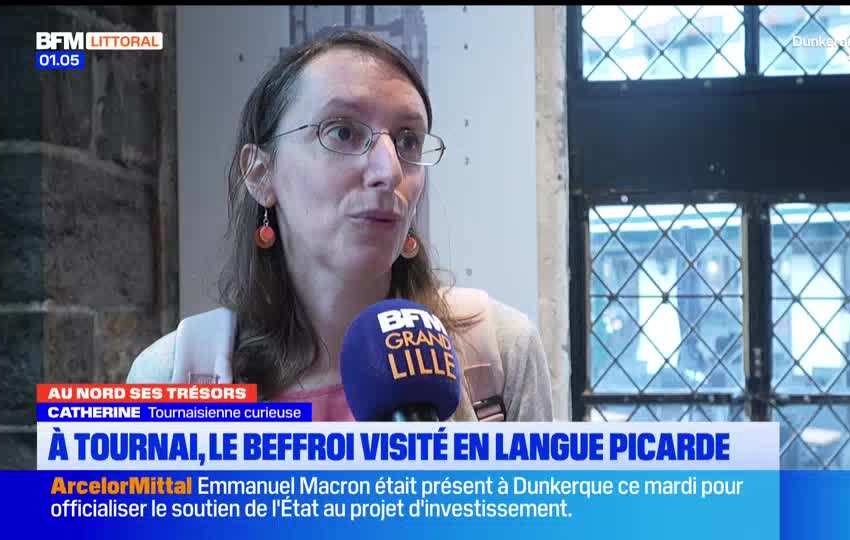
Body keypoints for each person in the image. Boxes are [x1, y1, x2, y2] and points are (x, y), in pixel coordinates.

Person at [127, 29, 555, 422]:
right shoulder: (170, 377)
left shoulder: (500, 352)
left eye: (408, 140)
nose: (389, 171)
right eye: (343, 132)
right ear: (260, 174)